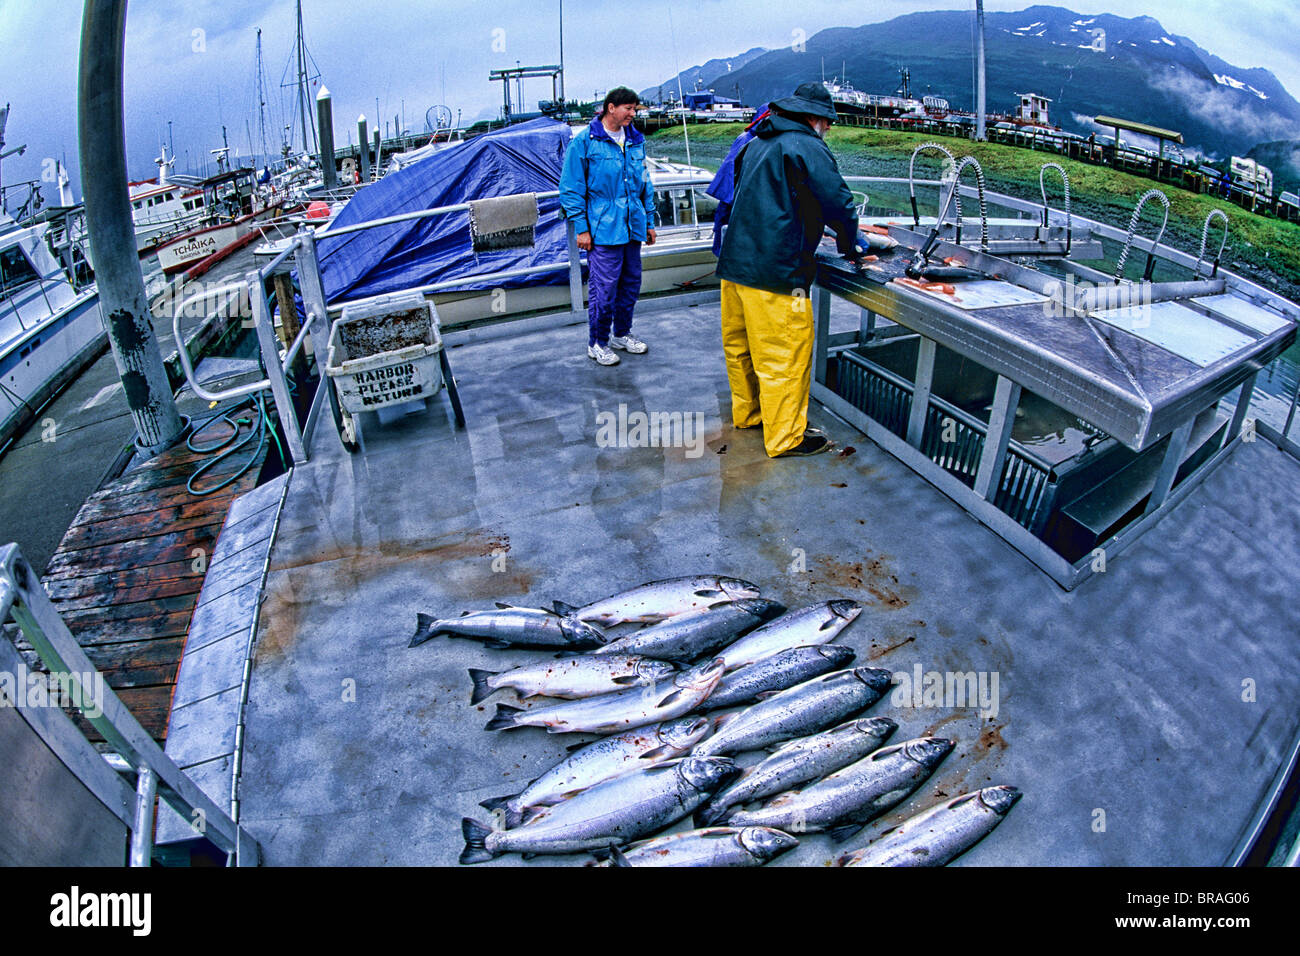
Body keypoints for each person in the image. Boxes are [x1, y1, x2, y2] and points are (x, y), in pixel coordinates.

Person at [715, 82, 866, 457]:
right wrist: (851, 244)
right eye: (827, 121)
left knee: (743, 348)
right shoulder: (806, 146)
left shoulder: (757, 141)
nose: (828, 128)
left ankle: (749, 415)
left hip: (735, 268)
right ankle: (785, 438)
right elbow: (839, 202)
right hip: (778, 274)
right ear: (813, 117)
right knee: (784, 354)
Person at [559, 86, 658, 366]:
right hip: (602, 230)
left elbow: (644, 184)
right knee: (604, 290)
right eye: (628, 108)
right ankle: (598, 342)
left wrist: (649, 221)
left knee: (630, 285)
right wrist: (581, 227)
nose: (632, 113)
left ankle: (622, 334)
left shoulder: (636, 140)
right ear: (610, 108)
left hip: (632, 228)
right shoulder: (585, 142)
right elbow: (570, 189)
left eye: (635, 108)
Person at [705, 102, 769, 256]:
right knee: (727, 250)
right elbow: (731, 174)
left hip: (736, 204)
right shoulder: (748, 140)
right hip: (734, 205)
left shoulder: (749, 138)